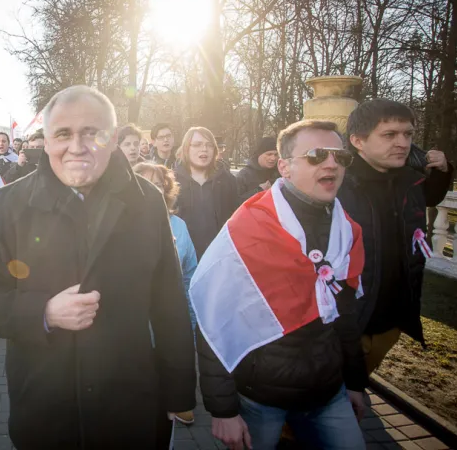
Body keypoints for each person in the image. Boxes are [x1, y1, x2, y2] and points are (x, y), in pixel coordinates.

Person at [0, 85, 197, 449]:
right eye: (63, 134)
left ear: (113, 139)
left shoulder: (147, 202)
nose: (77, 146)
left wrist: (179, 393)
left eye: (92, 133)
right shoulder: (7, 204)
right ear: (47, 140)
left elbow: (170, 306)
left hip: (130, 407)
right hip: (45, 408)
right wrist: (43, 312)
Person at [190, 120, 367, 450]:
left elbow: (345, 317)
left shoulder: (347, 230)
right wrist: (223, 410)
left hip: (329, 391)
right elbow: (214, 321)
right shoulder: (248, 228)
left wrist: (355, 382)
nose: (331, 163)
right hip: (260, 397)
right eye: (316, 155)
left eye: (340, 156)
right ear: (284, 166)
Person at [337, 99, 452, 374]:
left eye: (408, 134)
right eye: (389, 134)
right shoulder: (338, 185)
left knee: (350, 392)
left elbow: (431, 197)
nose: (402, 143)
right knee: (319, 404)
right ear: (358, 141)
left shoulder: (410, 181)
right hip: (344, 323)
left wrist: (443, 172)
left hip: (390, 322)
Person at [133, 162, 198, 425]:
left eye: (158, 184)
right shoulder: (120, 225)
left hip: (170, 321)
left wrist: (190, 322)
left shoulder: (179, 226)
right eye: (143, 183)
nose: (152, 189)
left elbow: (190, 274)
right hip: (133, 327)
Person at [174, 127, 239, 259]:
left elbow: (236, 220)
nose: (204, 149)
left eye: (209, 145)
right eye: (197, 145)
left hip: (219, 257)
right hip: (183, 259)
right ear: (187, 148)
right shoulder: (172, 182)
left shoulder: (228, 181)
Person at [235, 136, 280, 202]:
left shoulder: (280, 173)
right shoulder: (244, 175)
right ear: (259, 154)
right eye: (269, 154)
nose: (273, 158)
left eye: (276, 155)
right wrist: (259, 190)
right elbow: (236, 202)